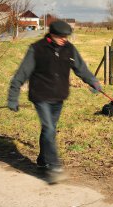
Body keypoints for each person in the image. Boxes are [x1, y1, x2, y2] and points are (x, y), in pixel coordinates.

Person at [7, 20, 101, 183]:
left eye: (66, 36)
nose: (65, 39)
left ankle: (43, 161)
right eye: (61, 36)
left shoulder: (69, 49)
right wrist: (13, 97)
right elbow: (21, 73)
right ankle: (54, 166)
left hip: (59, 96)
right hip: (41, 96)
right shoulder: (37, 49)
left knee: (49, 130)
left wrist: (93, 81)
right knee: (49, 128)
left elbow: (81, 68)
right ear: (51, 35)